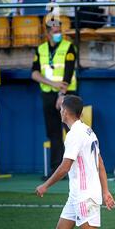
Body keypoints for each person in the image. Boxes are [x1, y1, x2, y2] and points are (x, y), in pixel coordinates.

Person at [36, 95, 115, 229]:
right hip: (77, 194)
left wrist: (46, 185)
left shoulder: (74, 134)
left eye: (61, 107)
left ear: (65, 111)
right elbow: (101, 164)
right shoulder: (88, 131)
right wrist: (106, 191)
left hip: (84, 194)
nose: (59, 110)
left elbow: (64, 167)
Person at [31, 21, 77, 179]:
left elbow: (68, 73)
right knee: (53, 133)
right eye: (55, 31)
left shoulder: (69, 47)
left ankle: (76, 169)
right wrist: (52, 84)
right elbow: (34, 73)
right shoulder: (41, 49)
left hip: (67, 95)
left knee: (71, 132)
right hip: (48, 95)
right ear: (48, 33)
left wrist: (61, 94)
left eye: (60, 31)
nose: (58, 34)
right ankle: (56, 170)